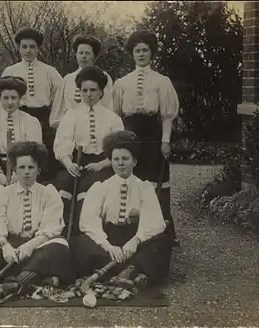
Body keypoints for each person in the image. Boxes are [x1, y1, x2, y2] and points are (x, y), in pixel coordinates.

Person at [0, 141, 75, 298]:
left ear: (38, 170)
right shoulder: (3, 193)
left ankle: (13, 283)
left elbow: (52, 225)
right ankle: (35, 278)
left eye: (31, 167)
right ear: (15, 170)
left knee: (59, 246)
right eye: (21, 167)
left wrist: (30, 246)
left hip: (38, 246)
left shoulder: (48, 192)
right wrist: (5, 245)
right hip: (9, 247)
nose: (26, 172)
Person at [71, 130, 172, 288]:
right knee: (80, 242)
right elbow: (89, 221)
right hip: (109, 238)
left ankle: (130, 271)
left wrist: (136, 240)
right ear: (111, 162)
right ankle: (129, 273)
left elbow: (155, 220)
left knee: (162, 240)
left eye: (125, 158)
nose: (120, 163)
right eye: (116, 159)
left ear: (135, 162)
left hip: (135, 238)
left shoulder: (144, 187)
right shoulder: (100, 188)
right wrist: (107, 246)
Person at [112, 30, 180, 246]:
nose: (141, 54)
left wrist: (165, 141)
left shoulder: (162, 81)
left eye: (145, 50)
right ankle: (131, 227)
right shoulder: (122, 83)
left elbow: (167, 116)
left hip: (152, 132)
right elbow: (115, 115)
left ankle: (162, 230)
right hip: (129, 132)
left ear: (152, 53)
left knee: (154, 180)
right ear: (132, 54)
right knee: (131, 178)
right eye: (137, 51)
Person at [53, 66, 124, 237]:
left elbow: (119, 148)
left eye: (93, 90)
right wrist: (69, 164)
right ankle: (62, 233)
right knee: (63, 182)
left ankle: (87, 233)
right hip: (77, 162)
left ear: (101, 92)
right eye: (84, 90)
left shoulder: (112, 118)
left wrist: (102, 164)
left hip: (102, 163)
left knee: (92, 186)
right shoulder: (72, 115)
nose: (88, 94)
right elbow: (63, 142)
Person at [1, 27, 63, 181]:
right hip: (18, 116)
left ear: (38, 48)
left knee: (42, 155)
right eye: (24, 47)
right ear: (19, 48)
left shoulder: (49, 71)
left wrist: (53, 120)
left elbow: (59, 97)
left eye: (32, 47)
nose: (28, 51)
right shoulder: (11, 70)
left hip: (42, 116)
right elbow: (2, 98)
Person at [0, 76, 42, 211]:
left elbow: (33, 149)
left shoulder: (31, 121)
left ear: (20, 98)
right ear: (0, 99)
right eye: (6, 98)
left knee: (24, 189)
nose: (10, 102)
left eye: (14, 98)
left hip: (24, 165)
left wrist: (18, 173)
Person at [50, 35, 114, 129]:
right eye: (80, 53)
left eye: (87, 53)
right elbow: (60, 107)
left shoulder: (103, 77)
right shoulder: (68, 79)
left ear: (94, 56)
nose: (84, 56)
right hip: (71, 125)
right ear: (76, 54)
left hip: (96, 124)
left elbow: (108, 104)